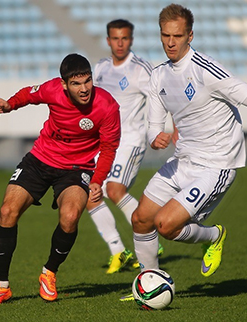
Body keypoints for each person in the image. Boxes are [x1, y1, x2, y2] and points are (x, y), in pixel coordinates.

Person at [121, 4, 247, 300]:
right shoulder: (158, 77)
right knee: (140, 219)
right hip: (182, 161)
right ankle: (148, 284)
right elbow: (154, 127)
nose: (170, 42)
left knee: (165, 225)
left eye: (177, 35)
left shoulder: (207, 70)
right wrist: (157, 139)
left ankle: (214, 235)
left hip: (216, 165)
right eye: (165, 35)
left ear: (190, 36)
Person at [0, 53, 121, 305]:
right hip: (40, 159)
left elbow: (110, 147)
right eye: (76, 84)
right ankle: (1, 285)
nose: (84, 89)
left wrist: (97, 180)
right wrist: (10, 104)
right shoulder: (51, 89)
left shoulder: (107, 105)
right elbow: (28, 94)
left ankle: (49, 272)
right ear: (64, 84)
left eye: (87, 81)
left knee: (69, 217)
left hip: (77, 167)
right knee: (6, 212)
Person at [87, 19, 164, 274]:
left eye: (125, 38)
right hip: (104, 142)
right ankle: (118, 251)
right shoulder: (100, 69)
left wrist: (165, 128)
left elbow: (161, 96)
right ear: (108, 40)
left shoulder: (141, 69)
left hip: (130, 139)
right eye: (115, 38)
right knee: (90, 193)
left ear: (131, 40)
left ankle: (149, 233)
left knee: (114, 189)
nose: (120, 43)